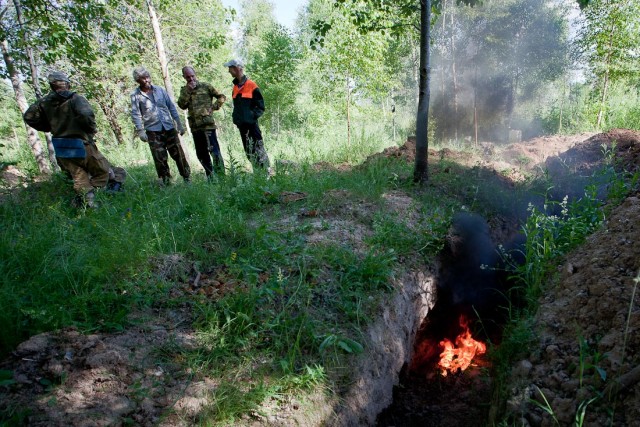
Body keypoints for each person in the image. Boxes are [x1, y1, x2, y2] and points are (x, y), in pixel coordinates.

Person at [23, 71, 126, 208]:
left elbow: (29, 117)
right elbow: (86, 114)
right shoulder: (75, 98)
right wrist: (90, 129)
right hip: (82, 143)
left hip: (62, 147)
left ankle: (88, 201)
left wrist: (47, 127)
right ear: (67, 84)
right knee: (104, 171)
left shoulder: (44, 103)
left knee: (78, 176)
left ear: (51, 86)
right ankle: (96, 195)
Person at [130, 66, 191, 185]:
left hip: (169, 127)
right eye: (143, 78)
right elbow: (136, 114)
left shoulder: (160, 90)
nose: (147, 80)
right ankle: (166, 182)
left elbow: (171, 107)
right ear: (138, 81)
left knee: (179, 154)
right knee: (160, 158)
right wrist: (141, 131)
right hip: (153, 131)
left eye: (148, 77)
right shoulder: (136, 95)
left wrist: (179, 123)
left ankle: (187, 179)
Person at [177, 66, 226, 179]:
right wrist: (188, 91)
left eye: (192, 76)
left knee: (215, 152)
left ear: (195, 74)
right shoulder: (184, 90)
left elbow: (222, 97)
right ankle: (210, 176)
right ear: (184, 77)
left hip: (208, 126)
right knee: (201, 154)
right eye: (188, 77)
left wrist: (213, 107)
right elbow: (182, 105)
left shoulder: (206, 86)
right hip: (195, 127)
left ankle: (221, 177)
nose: (191, 79)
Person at [223, 59, 271, 171]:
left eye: (230, 68)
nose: (229, 71)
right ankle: (258, 173)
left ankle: (267, 173)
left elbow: (260, 106)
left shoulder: (251, 85)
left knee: (259, 148)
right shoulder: (235, 87)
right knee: (249, 151)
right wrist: (236, 119)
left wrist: (251, 117)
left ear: (236, 68)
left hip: (252, 125)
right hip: (242, 126)